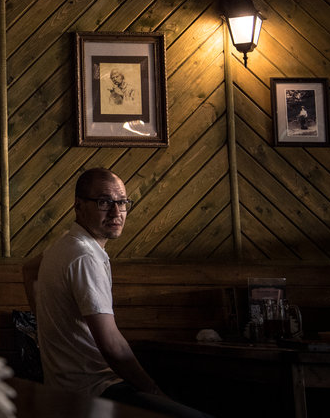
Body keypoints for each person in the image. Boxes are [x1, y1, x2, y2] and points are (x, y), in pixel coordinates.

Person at [22, 168, 211, 418]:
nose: (116, 212)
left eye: (122, 202)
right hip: (94, 390)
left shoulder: (66, 244)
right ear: (79, 206)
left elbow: (28, 270)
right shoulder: (84, 256)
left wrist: (46, 321)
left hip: (68, 387)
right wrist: (154, 392)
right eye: (104, 202)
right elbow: (111, 345)